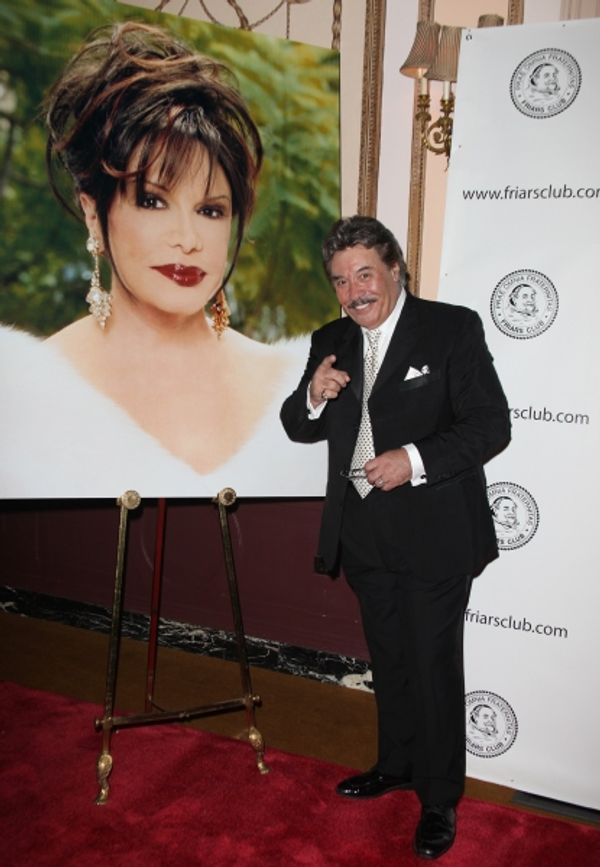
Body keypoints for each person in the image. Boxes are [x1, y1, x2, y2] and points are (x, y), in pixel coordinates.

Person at [0, 21, 325, 498]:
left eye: (210, 210)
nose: (188, 239)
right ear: (94, 212)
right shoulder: (25, 393)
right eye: (153, 201)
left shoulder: (297, 386)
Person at [280, 216, 510, 860]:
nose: (353, 292)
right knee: (390, 657)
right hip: (363, 533)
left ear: (395, 270)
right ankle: (398, 764)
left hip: (435, 534)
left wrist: (414, 457)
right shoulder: (331, 338)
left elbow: (491, 425)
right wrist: (315, 397)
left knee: (433, 665)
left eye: (363, 275)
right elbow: (298, 424)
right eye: (340, 281)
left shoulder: (451, 327)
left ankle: (439, 800)